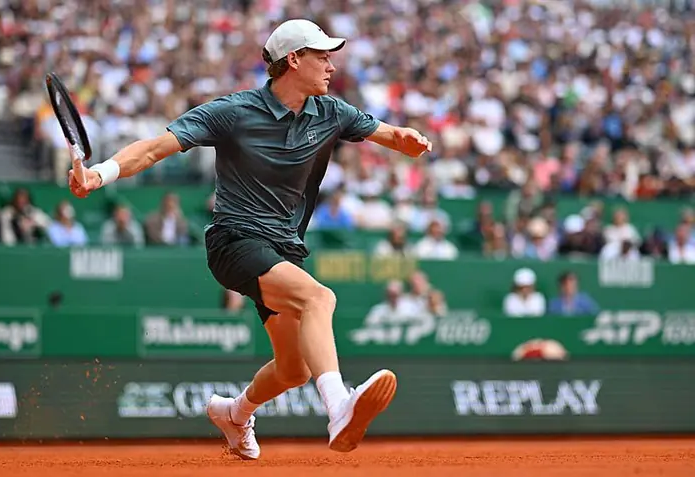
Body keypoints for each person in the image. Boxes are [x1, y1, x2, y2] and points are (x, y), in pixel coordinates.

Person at [67, 19, 432, 459]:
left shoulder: (331, 112)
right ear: (293, 60)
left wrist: (405, 140)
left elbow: (388, 134)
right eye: (322, 56)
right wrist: (98, 174)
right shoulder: (233, 111)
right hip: (234, 241)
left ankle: (234, 414)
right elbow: (152, 148)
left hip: (283, 250)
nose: (331, 66)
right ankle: (338, 406)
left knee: (294, 369)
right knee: (319, 298)